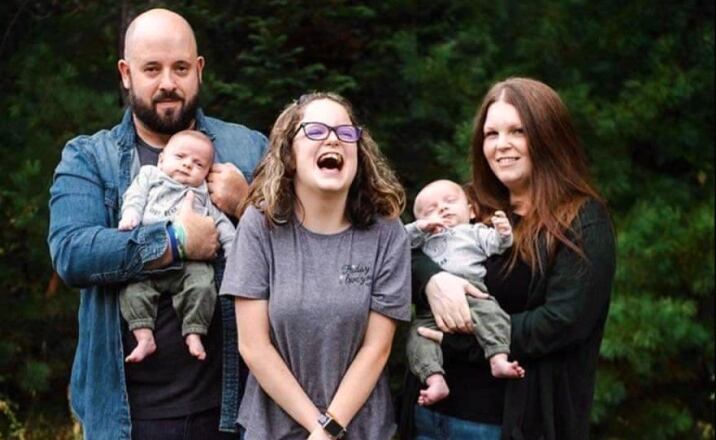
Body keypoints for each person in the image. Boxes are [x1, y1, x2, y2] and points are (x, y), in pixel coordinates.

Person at [48, 8, 267, 439]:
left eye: (180, 67)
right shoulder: (90, 158)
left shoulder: (246, 148)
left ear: (199, 70)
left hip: (230, 410)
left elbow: (303, 247)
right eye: (152, 69)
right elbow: (73, 252)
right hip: (126, 417)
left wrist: (246, 207)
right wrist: (176, 240)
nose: (168, 82)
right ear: (126, 74)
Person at [399, 77, 616, 440]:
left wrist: (461, 338)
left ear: (548, 136)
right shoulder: (467, 206)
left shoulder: (582, 221)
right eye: (491, 134)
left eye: (517, 131)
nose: (502, 146)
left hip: (504, 424)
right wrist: (434, 280)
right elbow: (403, 254)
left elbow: (562, 323)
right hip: (428, 416)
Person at [219, 92, 411, 439]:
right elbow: (253, 345)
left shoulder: (387, 232)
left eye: (345, 132)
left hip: (363, 429)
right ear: (288, 153)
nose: (334, 138)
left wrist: (330, 427)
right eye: (317, 131)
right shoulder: (258, 225)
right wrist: (318, 428)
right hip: (273, 430)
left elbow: (377, 349)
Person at [404, 179, 523, 407]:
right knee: (417, 338)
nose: (442, 208)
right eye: (430, 209)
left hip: (472, 291)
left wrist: (503, 231)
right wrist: (420, 228)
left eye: (450, 201)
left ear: (470, 211)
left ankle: (498, 357)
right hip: (430, 306)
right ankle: (435, 379)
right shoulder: (424, 239)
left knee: (492, 314)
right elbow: (397, 243)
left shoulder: (474, 232)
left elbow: (499, 244)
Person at [119, 130, 235, 363]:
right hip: (149, 257)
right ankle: (143, 337)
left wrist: (233, 251)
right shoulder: (150, 175)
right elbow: (135, 196)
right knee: (132, 290)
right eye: (180, 156)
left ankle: (194, 331)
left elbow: (221, 223)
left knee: (203, 286)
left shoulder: (202, 193)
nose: (187, 165)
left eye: (198, 163)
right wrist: (131, 215)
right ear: (162, 159)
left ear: (206, 174)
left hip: (191, 264)